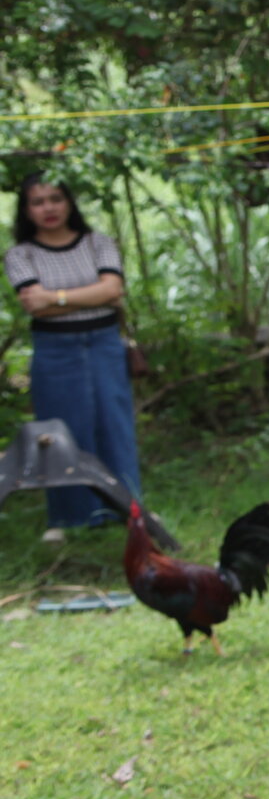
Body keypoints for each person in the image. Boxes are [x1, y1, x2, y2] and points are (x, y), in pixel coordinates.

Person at [5, 174, 144, 543]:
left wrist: (56, 298)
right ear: (26, 209)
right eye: (38, 202)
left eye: (55, 198)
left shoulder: (99, 243)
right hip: (55, 350)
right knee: (61, 434)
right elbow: (34, 305)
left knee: (115, 426)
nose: (48, 208)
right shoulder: (21, 254)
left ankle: (128, 510)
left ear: (69, 203)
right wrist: (87, 295)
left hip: (104, 344)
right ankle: (68, 517)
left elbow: (113, 289)